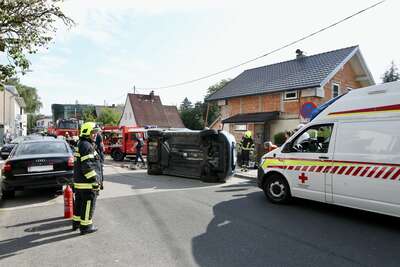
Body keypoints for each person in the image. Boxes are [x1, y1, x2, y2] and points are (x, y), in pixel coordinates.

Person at [72, 122, 103, 235]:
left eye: (96, 132)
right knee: (88, 204)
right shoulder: (87, 146)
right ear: (86, 132)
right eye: (93, 132)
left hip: (80, 182)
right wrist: (95, 180)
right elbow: (87, 166)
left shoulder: (82, 144)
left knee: (79, 204)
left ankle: (76, 222)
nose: (95, 135)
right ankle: (86, 227)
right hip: (87, 183)